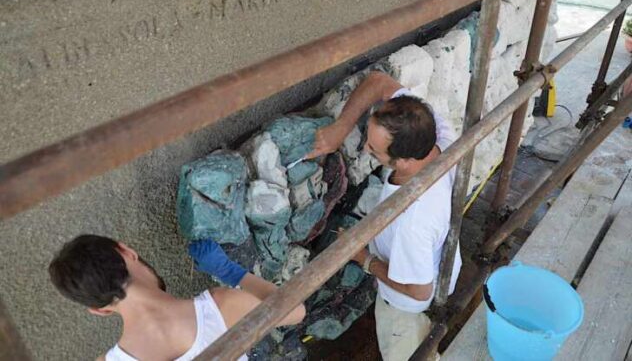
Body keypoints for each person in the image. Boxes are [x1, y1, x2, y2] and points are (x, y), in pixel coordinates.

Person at [306, 70, 462, 361]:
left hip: (404, 307)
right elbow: (379, 82)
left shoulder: (412, 221)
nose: (365, 148)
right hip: (441, 268)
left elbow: (418, 290)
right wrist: (340, 128)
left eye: (373, 150)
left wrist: (364, 259)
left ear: (403, 161)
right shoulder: (438, 136)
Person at [48, 235, 305, 361]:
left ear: (98, 310)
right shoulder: (224, 306)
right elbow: (296, 312)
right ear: (126, 250)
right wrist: (231, 272)